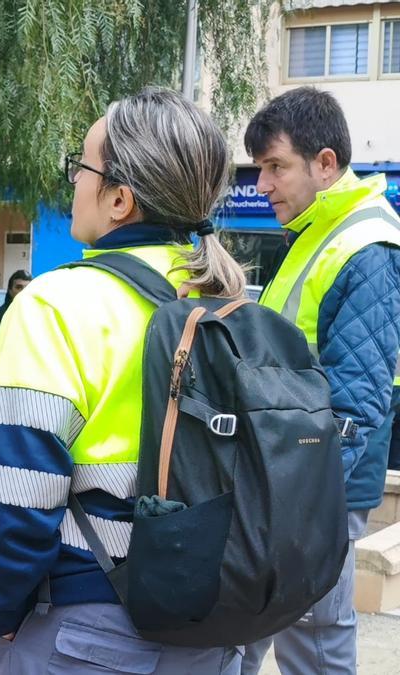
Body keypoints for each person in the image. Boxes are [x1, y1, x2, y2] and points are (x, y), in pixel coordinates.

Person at [0, 88, 246, 673]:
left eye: (82, 166)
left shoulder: (57, 304)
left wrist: (2, 616)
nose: (73, 180)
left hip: (88, 625)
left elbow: (13, 501)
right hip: (211, 631)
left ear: (119, 199)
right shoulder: (227, 303)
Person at [240, 87, 400, 675]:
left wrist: (304, 507)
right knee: (255, 621)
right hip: (289, 474)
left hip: (317, 484)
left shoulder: (367, 245)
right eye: (260, 168)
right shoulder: (321, 231)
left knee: (315, 635)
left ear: (325, 163)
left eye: (276, 166)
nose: (263, 184)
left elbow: (355, 401)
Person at [0, 270, 31, 373]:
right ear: (10, 290)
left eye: (27, 288)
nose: (23, 291)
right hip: (7, 378)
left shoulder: (37, 316)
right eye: (19, 287)